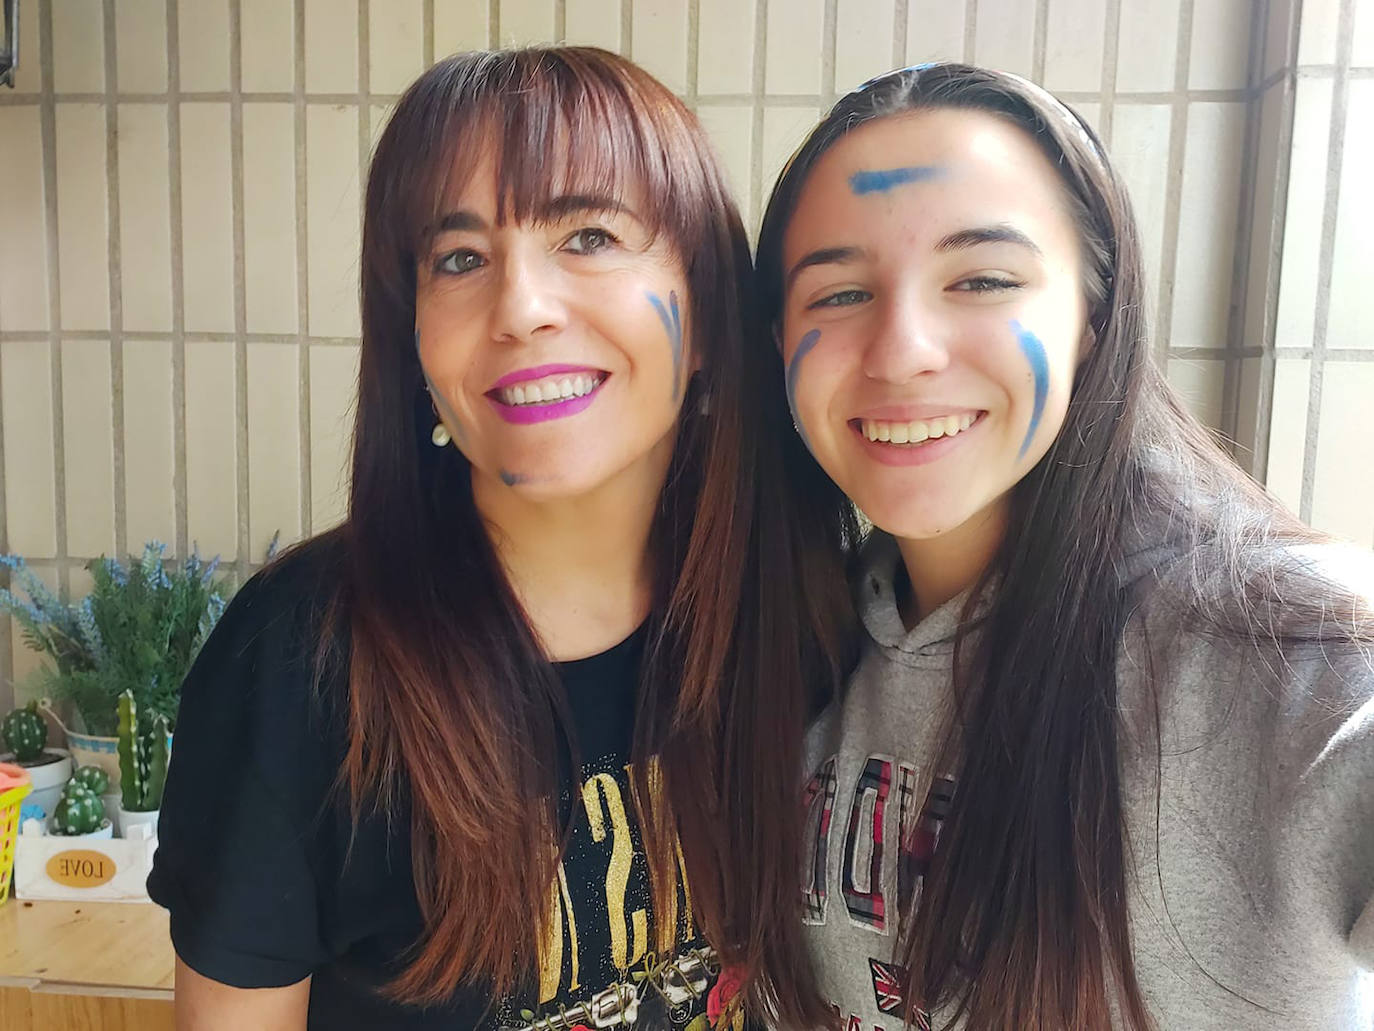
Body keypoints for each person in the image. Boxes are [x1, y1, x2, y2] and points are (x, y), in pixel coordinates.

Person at [149, 46, 854, 1030]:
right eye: (460, 259)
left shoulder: (802, 602)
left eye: (590, 235)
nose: (520, 307)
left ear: (707, 312)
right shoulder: (299, 663)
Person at [754, 63, 1374, 1029]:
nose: (903, 348)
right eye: (837, 294)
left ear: (1094, 316)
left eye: (984, 279)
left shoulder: (1279, 646)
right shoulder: (808, 644)